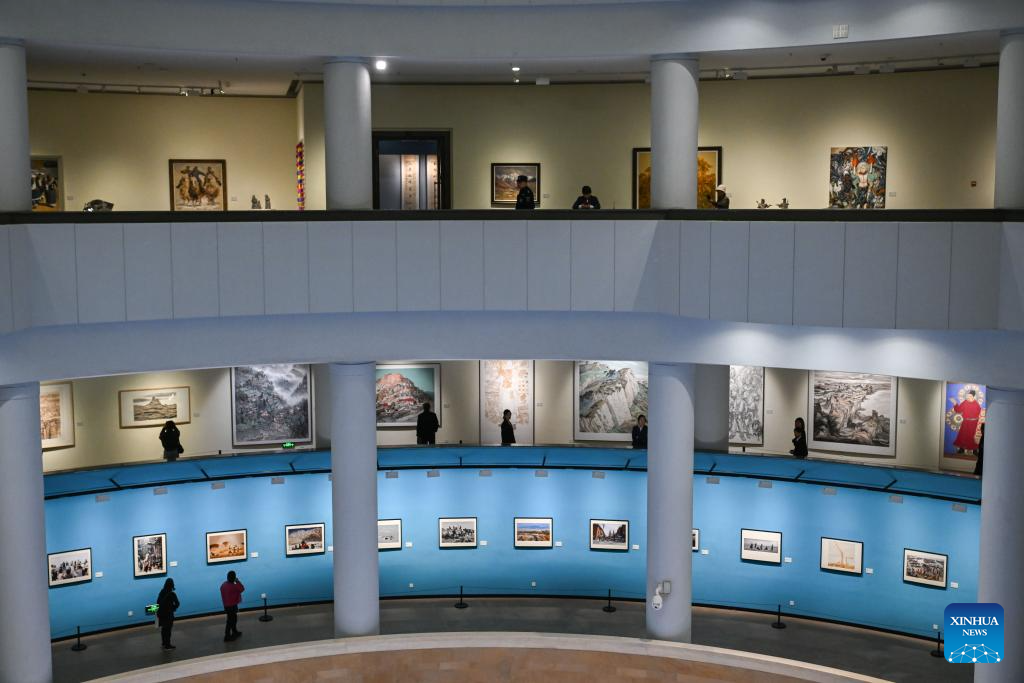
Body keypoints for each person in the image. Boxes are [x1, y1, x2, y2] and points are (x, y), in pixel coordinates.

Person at [949, 390, 983, 455]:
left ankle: (974, 449)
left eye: (970, 396)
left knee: (972, 436)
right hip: (965, 422)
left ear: (973, 396)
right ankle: (962, 448)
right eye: (967, 396)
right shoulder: (965, 402)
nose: (968, 397)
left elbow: (979, 412)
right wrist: (955, 403)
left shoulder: (976, 404)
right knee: (963, 435)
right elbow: (958, 410)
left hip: (973, 423)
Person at [220, 570, 245, 641]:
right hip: (232, 605)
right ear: (234, 578)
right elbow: (242, 589)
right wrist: (237, 581)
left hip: (226, 605)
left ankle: (234, 632)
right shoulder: (234, 586)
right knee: (231, 620)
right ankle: (227, 636)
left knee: (232, 619)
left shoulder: (224, 585)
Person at [156, 578, 180, 651]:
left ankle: (164, 643)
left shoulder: (162, 592)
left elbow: (158, 602)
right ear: (172, 584)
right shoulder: (172, 594)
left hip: (162, 614)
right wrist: (173, 608)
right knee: (168, 630)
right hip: (169, 614)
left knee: (164, 629)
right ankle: (168, 645)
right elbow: (177, 603)